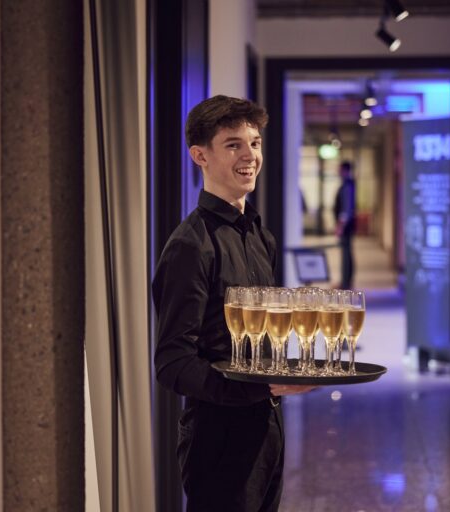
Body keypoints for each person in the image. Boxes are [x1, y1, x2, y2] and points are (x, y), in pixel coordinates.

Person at [152, 95, 315, 511]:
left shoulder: (262, 237)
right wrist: (259, 388)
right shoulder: (190, 246)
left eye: (255, 143)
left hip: (268, 429)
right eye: (233, 145)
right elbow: (173, 363)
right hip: (217, 438)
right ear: (199, 155)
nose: (250, 155)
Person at [334, 160, 356, 289]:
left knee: (346, 255)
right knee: (346, 253)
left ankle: (346, 282)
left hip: (346, 227)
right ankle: (346, 281)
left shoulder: (347, 186)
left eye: (340, 169)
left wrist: (340, 226)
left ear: (346, 171)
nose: (338, 172)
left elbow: (346, 209)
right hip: (347, 226)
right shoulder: (347, 184)